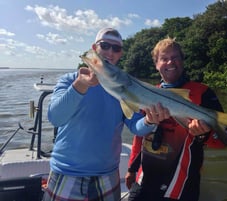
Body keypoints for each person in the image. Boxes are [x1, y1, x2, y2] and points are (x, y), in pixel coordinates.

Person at [42, 28, 170, 201]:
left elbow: (136, 127)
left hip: (107, 175)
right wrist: (80, 85)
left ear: (120, 54)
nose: (110, 52)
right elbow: (55, 117)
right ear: (95, 48)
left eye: (116, 48)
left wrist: (149, 120)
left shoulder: (123, 86)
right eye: (105, 45)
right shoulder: (69, 80)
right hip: (67, 172)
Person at [125, 37, 227, 201]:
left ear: (182, 61)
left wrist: (203, 134)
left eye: (175, 57)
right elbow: (139, 136)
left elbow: (223, 140)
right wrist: (131, 168)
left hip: (181, 188)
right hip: (143, 181)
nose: (170, 62)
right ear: (156, 64)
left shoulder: (202, 93)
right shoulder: (146, 93)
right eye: (164, 58)